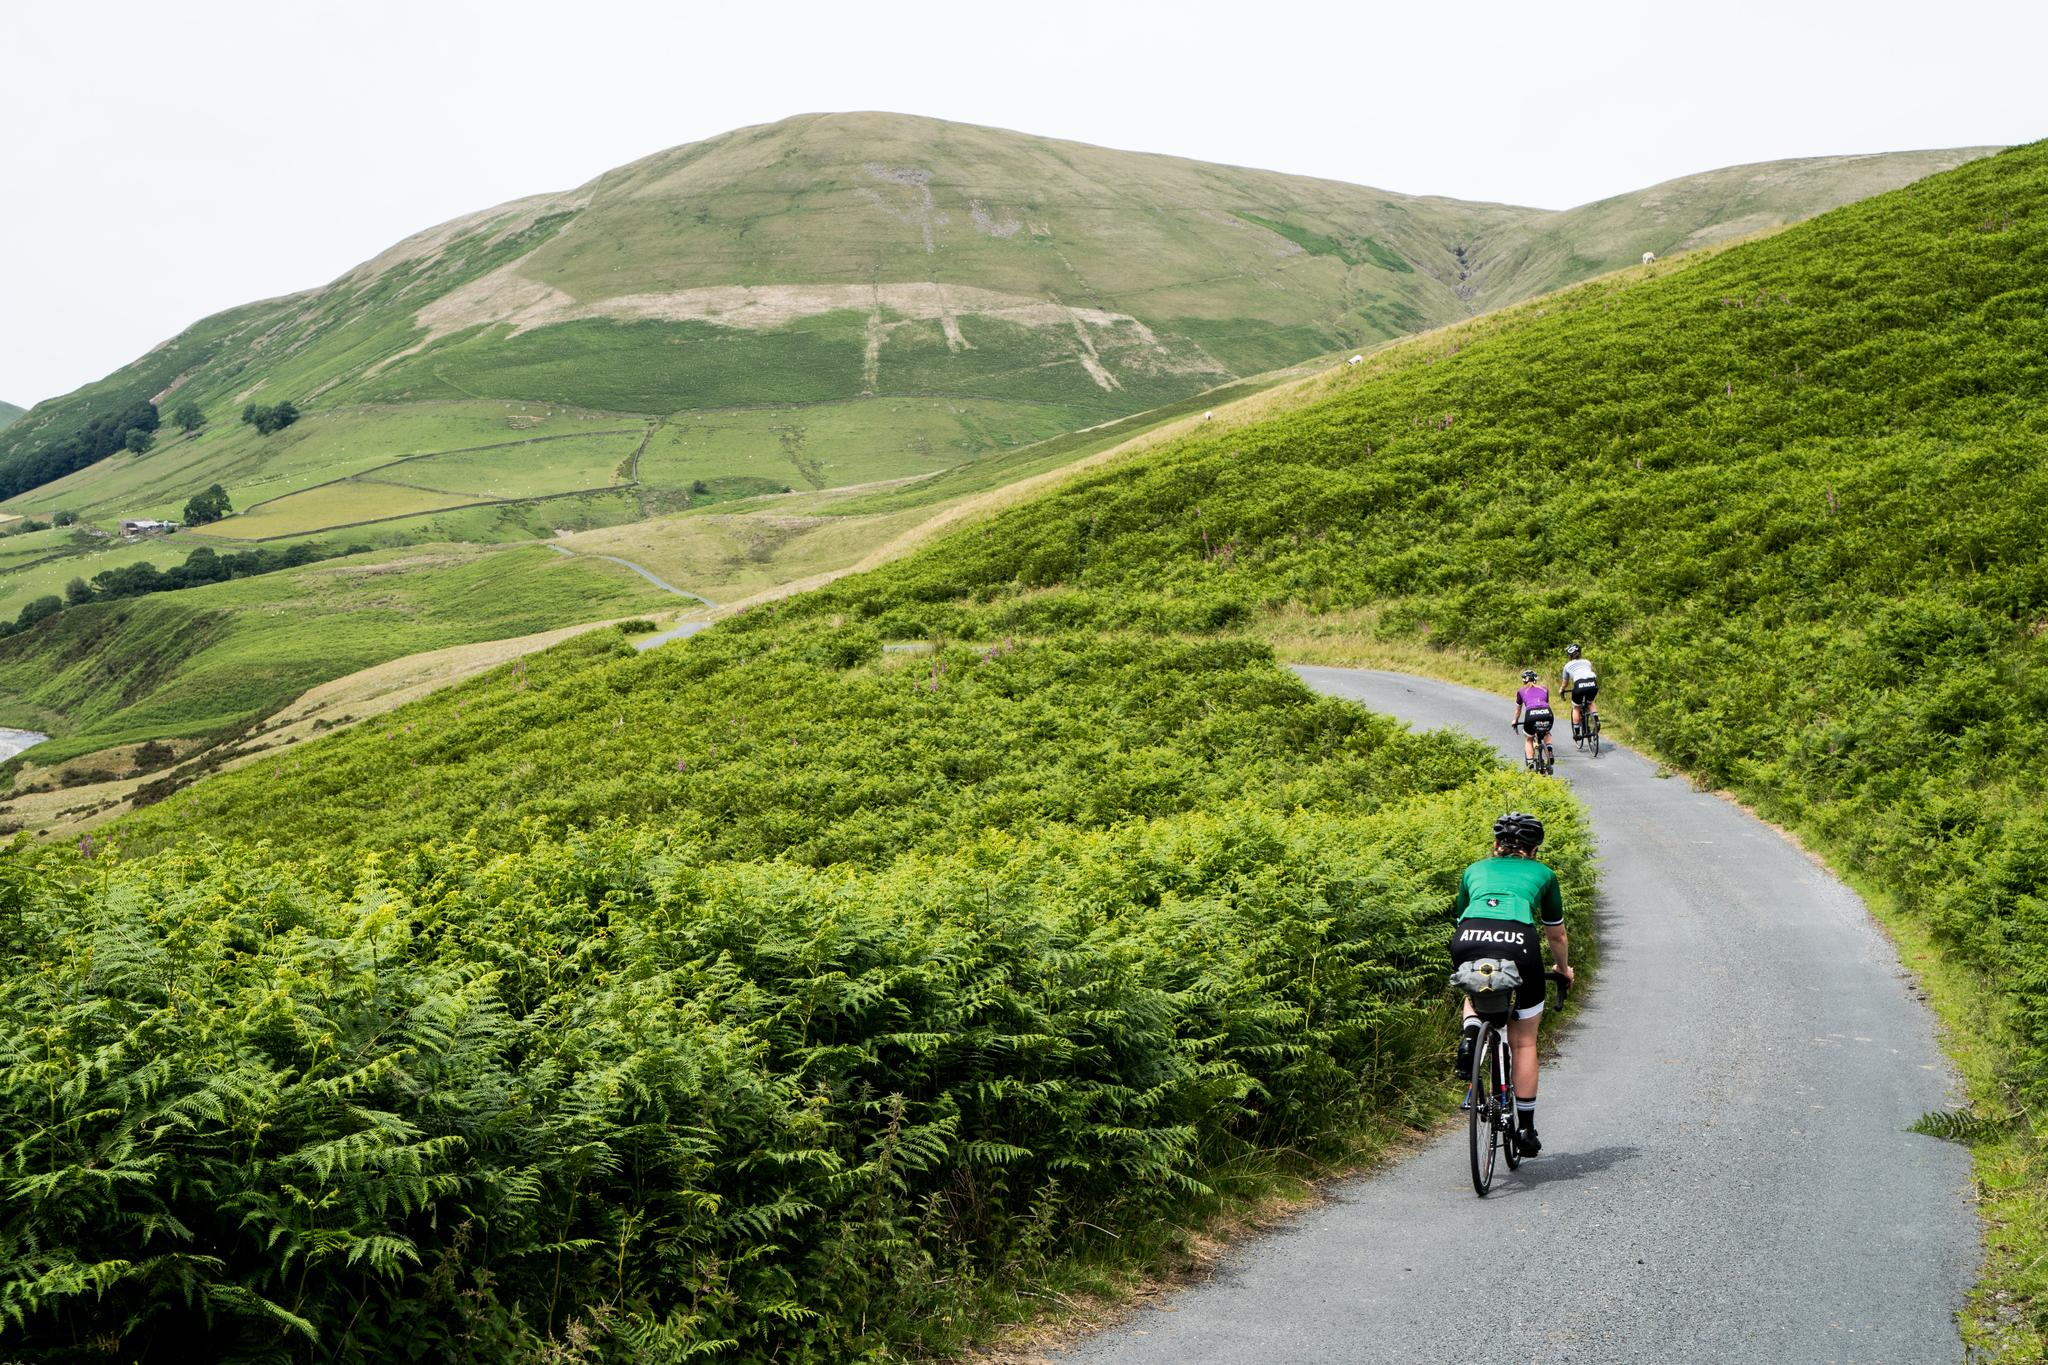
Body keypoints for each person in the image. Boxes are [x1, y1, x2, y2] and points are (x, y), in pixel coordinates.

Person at [1451, 812, 1573, 1155]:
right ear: (1534, 849)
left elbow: (1462, 913)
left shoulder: (1474, 870)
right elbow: (1556, 933)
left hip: (1469, 936)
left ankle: (1471, 1033)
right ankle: (1527, 1130)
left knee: (1474, 984)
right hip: (1518, 940)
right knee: (1523, 1042)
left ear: (1495, 845)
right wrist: (1563, 969)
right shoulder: (1544, 874)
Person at [1510, 669, 1553, 768]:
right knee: (1546, 732)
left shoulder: (1521, 691)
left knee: (1529, 738)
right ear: (1536, 680)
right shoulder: (1544, 689)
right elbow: (1546, 704)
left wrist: (1515, 721)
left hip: (1531, 714)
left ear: (1524, 681)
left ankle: (1530, 763)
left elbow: (1518, 710)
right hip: (1547, 712)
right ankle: (1550, 752)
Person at [1560, 644, 1599, 743]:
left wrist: (1561, 690)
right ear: (1580, 653)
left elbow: (1565, 683)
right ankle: (1596, 720)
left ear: (1569, 656)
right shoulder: (1587, 662)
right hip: (1592, 682)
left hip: (1579, 684)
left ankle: (1577, 732)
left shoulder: (1567, 666)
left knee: (1576, 707)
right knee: (1590, 702)